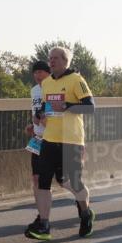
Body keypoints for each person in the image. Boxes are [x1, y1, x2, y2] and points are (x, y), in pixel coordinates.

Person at [24, 46, 96, 241]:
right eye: (50, 58)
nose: (52, 61)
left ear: (65, 61)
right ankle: (45, 225)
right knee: (43, 182)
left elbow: (90, 107)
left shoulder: (76, 80)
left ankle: (85, 213)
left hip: (71, 140)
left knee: (73, 182)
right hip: (49, 139)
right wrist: (38, 116)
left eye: (56, 58)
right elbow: (44, 106)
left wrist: (67, 106)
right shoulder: (46, 83)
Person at [25, 60, 77, 230]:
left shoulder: (55, 88)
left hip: (55, 139)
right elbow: (37, 112)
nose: (37, 75)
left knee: (63, 181)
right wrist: (33, 125)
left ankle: (81, 198)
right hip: (39, 139)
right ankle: (42, 217)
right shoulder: (34, 91)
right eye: (35, 72)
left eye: (41, 72)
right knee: (37, 179)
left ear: (49, 74)